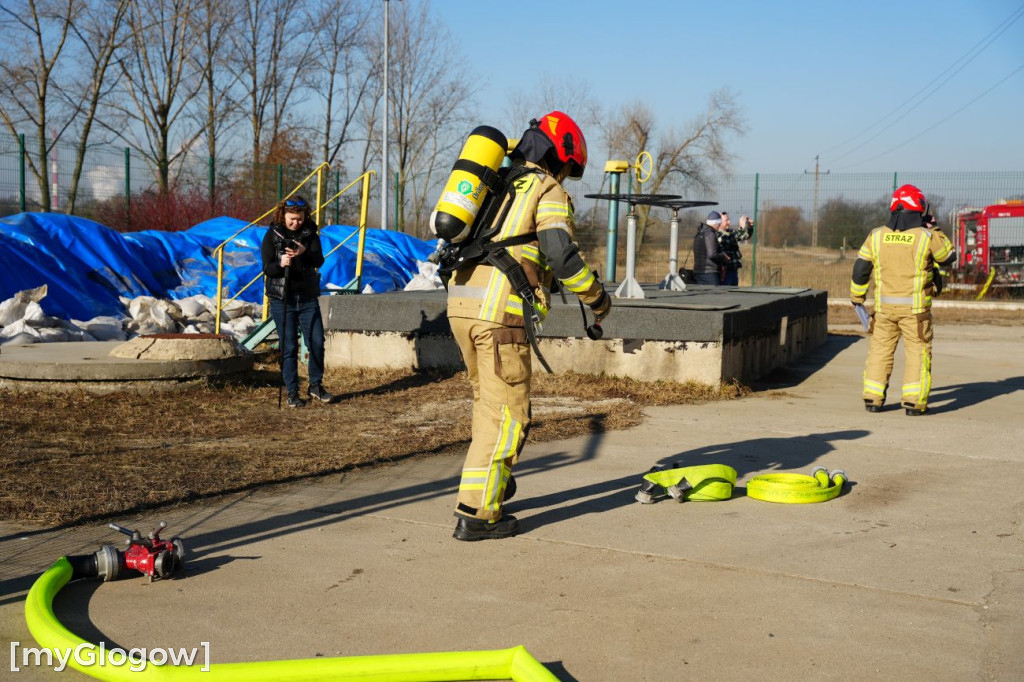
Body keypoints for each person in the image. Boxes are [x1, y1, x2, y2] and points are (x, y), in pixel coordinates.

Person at [446, 111, 611, 541]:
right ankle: (478, 514)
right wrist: (597, 298)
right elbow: (560, 254)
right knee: (507, 416)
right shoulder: (546, 187)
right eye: (568, 168)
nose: (566, 177)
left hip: (462, 305)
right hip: (499, 314)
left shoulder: (500, 181)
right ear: (559, 156)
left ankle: (492, 485)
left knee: (488, 407)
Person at [850, 184, 955, 416]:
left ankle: (873, 399)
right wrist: (934, 227)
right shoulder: (926, 236)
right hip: (915, 313)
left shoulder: (876, 236)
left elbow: (860, 269)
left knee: (879, 352)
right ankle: (913, 404)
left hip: (884, 311)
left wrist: (857, 298)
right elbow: (948, 256)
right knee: (917, 353)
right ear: (919, 208)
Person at [261, 196, 337, 408]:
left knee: (317, 342)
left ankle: (315, 385)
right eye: (292, 219)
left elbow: (319, 260)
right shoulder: (272, 235)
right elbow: (267, 268)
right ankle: (292, 392)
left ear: (305, 216)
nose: (296, 223)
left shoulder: (310, 233)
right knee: (289, 346)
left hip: (307, 298)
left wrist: (305, 253)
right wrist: (280, 263)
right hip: (282, 299)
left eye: (300, 219)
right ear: (283, 215)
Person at [716, 212, 754, 286]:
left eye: (729, 219)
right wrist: (741, 228)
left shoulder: (730, 232)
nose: (729, 222)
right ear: (720, 222)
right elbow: (728, 239)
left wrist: (749, 226)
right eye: (726, 220)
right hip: (725, 272)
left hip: (734, 270)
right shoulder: (717, 234)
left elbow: (745, 236)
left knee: (734, 291)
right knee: (726, 291)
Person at [693, 210, 727, 285]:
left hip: (698, 272)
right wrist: (723, 257)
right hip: (709, 273)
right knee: (714, 292)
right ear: (716, 223)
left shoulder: (699, 233)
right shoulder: (710, 234)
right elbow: (712, 254)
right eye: (719, 223)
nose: (719, 226)